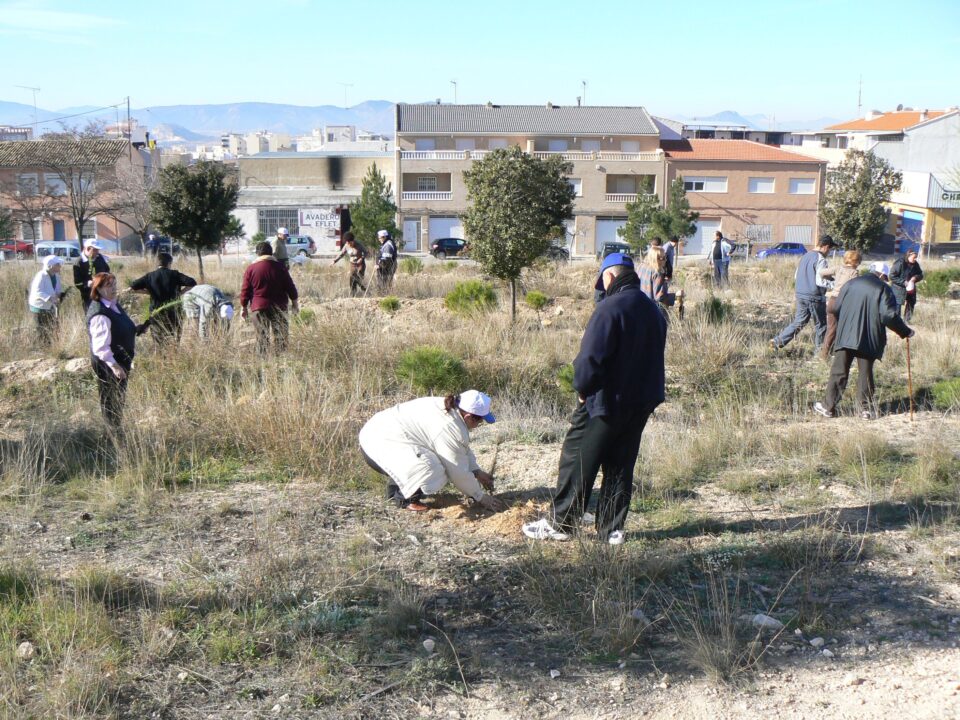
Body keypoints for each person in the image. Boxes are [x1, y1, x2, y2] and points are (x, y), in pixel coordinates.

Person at [523, 253, 667, 545]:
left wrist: (582, 388)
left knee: (577, 460)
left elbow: (590, 358)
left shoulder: (608, 308)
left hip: (604, 403)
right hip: (640, 403)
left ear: (609, 277)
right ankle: (611, 530)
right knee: (620, 464)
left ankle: (561, 524)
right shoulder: (653, 310)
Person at [359, 390, 505, 512]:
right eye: (480, 420)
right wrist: (480, 496)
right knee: (435, 469)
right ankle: (405, 500)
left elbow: (461, 449)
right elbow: (456, 471)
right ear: (468, 417)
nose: (480, 424)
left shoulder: (450, 407)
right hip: (378, 444)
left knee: (423, 458)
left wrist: (477, 472)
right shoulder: (449, 427)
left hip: (378, 433)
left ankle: (396, 492)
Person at [814, 262, 914, 420]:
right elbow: (888, 315)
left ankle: (828, 407)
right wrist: (905, 331)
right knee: (865, 374)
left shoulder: (850, 284)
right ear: (881, 275)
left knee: (839, 371)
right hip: (869, 338)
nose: (886, 279)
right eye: (885, 277)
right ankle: (864, 411)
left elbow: (836, 307)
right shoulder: (883, 289)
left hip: (845, 334)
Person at [87, 272, 141, 425]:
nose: (113, 289)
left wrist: (135, 329)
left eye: (114, 284)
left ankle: (115, 429)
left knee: (118, 399)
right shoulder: (100, 313)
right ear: (98, 289)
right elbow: (101, 347)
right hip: (109, 363)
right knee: (111, 401)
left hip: (120, 359)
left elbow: (118, 328)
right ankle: (112, 435)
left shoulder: (112, 304)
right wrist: (115, 367)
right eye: (108, 286)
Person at [770, 235, 839, 354]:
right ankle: (821, 353)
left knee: (799, 322)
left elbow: (796, 276)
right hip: (814, 296)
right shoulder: (821, 259)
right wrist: (837, 285)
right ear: (826, 247)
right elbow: (820, 281)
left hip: (801, 294)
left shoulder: (805, 256)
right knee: (821, 325)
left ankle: (777, 342)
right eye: (830, 249)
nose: (829, 252)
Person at [240, 241, 299, 356]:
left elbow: (245, 290)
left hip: (258, 307)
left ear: (257, 254)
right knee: (281, 336)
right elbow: (290, 287)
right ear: (271, 253)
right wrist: (295, 304)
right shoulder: (280, 267)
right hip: (279, 307)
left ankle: (263, 364)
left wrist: (244, 307)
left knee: (262, 337)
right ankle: (281, 361)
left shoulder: (251, 269)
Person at [129, 252, 197, 347]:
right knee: (174, 340)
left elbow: (133, 286)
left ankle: (160, 358)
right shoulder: (174, 274)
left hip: (156, 313)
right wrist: (180, 293)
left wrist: (149, 292)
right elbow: (192, 282)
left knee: (158, 342)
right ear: (169, 263)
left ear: (157, 263)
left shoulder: (149, 276)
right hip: (174, 312)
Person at [820, 249, 862, 360]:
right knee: (844, 329)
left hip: (832, 301)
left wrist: (832, 279)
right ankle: (838, 353)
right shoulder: (854, 272)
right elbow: (855, 288)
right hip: (844, 302)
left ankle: (824, 354)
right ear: (856, 261)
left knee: (831, 329)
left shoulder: (838, 268)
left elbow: (821, 272)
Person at [28, 256, 66, 347]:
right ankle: (40, 348)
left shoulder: (56, 276)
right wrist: (50, 298)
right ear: (50, 266)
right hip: (39, 307)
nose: (60, 266)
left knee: (50, 327)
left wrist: (59, 295)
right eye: (57, 264)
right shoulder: (41, 275)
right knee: (40, 329)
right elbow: (37, 291)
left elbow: (57, 289)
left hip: (51, 306)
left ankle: (48, 347)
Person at [73, 239, 110, 310]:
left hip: (103, 294)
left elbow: (107, 270)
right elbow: (78, 283)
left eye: (98, 250)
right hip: (88, 297)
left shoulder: (99, 257)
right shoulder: (78, 263)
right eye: (95, 250)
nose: (97, 252)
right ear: (88, 249)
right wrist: (88, 284)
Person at [890, 250, 924, 321]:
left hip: (911, 288)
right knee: (897, 305)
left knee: (911, 302)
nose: (915, 259)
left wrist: (915, 278)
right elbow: (892, 276)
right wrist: (904, 282)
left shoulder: (915, 264)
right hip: (898, 288)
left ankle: (907, 320)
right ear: (908, 256)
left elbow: (920, 274)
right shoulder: (900, 263)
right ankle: (897, 322)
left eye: (916, 257)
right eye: (914, 257)